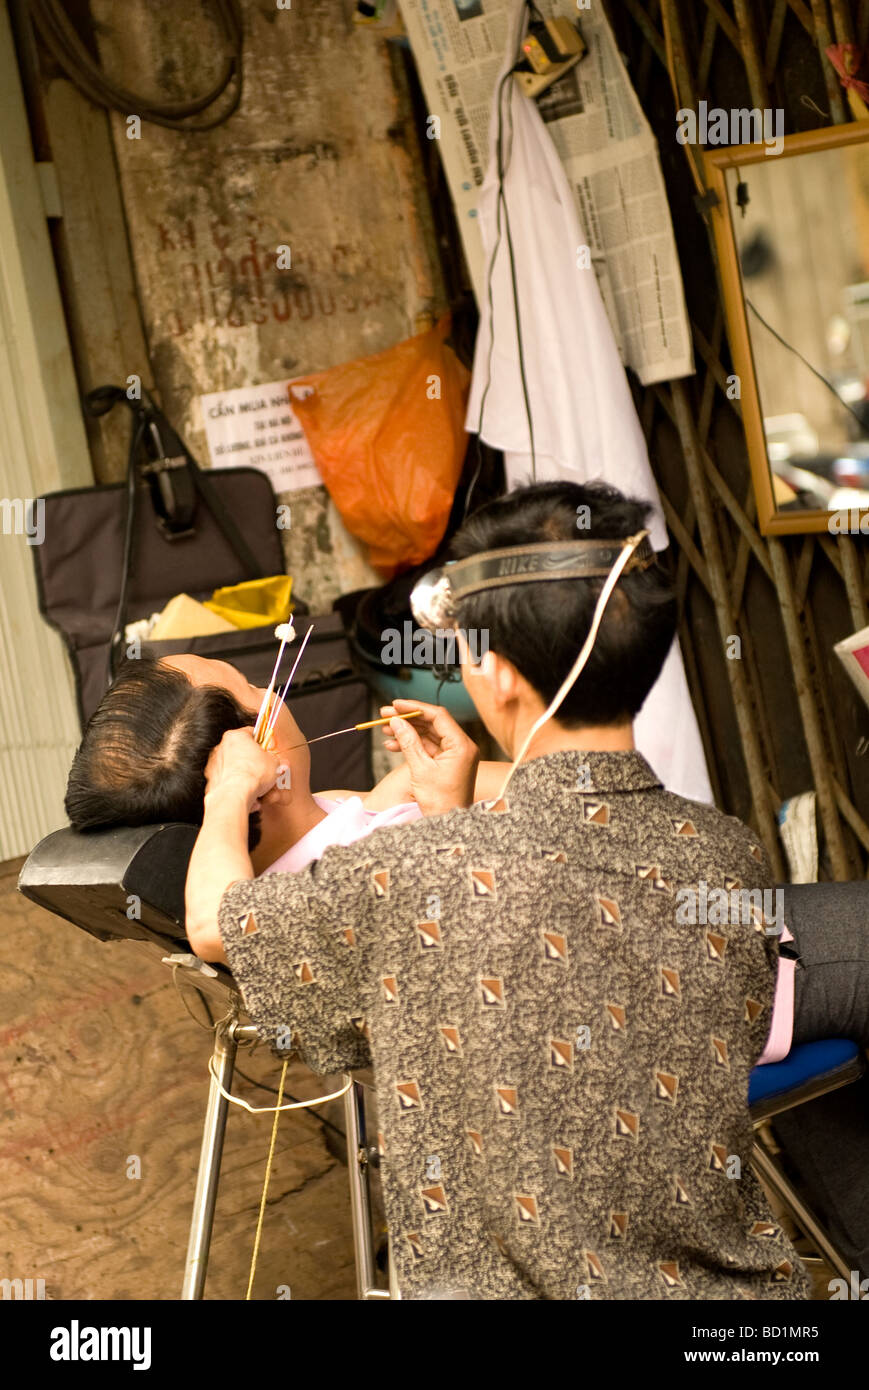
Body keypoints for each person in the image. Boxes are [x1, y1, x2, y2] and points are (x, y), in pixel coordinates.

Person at [182, 479, 813, 1300]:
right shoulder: (725, 854)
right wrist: (448, 809)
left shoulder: (409, 875)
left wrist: (228, 791)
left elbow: (215, 924)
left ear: (500, 677)